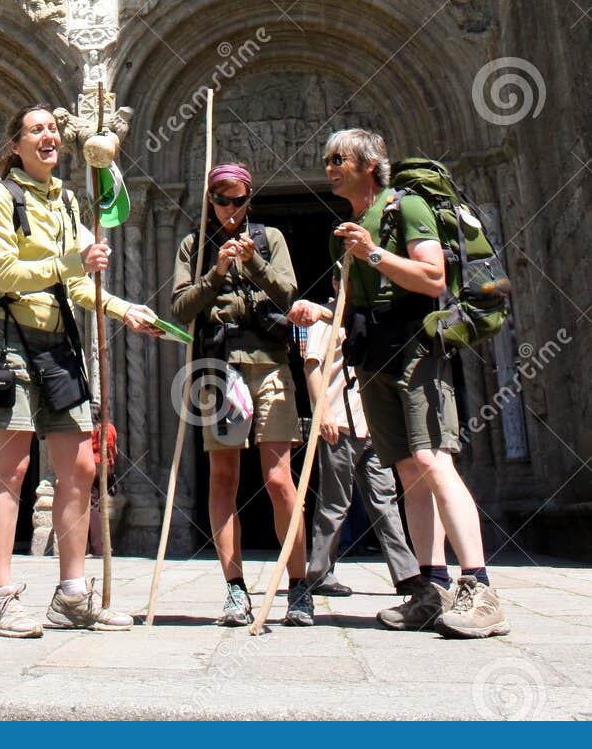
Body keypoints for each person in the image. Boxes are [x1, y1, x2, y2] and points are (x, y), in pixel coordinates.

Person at [0, 104, 158, 636]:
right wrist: (74, 263)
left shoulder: (68, 201)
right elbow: (7, 275)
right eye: (36, 130)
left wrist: (127, 310)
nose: (49, 136)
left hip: (59, 346)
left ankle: (72, 595)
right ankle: (1, 599)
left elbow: (75, 287)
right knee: (11, 470)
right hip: (8, 344)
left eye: (53, 129)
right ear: (15, 145)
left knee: (80, 468)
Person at [323, 127, 509, 637]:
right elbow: (359, 304)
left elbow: (433, 278)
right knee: (406, 469)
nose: (330, 167)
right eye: (326, 160)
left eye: (339, 158)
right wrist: (318, 310)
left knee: (432, 459)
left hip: (415, 350)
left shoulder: (405, 209)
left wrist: (374, 255)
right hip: (374, 355)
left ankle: (480, 588)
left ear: (368, 163)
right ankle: (429, 588)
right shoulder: (355, 223)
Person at [171, 163, 313, 627]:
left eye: (238, 200)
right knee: (223, 477)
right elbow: (180, 307)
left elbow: (290, 292)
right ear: (210, 201)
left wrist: (251, 261)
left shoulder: (269, 238)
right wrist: (216, 274)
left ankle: (299, 585)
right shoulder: (195, 246)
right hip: (218, 370)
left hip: (269, 364)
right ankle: (234, 590)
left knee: (278, 479)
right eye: (221, 200)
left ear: (250, 199)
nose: (230, 210)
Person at [288, 281, 420, 601]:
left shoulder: (368, 317)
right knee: (335, 502)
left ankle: (406, 574)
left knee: (385, 499)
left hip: (372, 423)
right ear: (336, 282)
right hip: (340, 423)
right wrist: (323, 415)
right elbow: (313, 366)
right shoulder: (324, 317)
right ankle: (319, 572)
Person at [88, 405, 117, 558]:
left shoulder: (91, 429)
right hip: (106, 468)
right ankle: (104, 546)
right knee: (99, 505)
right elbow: (113, 449)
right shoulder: (111, 428)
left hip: (92, 466)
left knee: (93, 506)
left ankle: (97, 547)